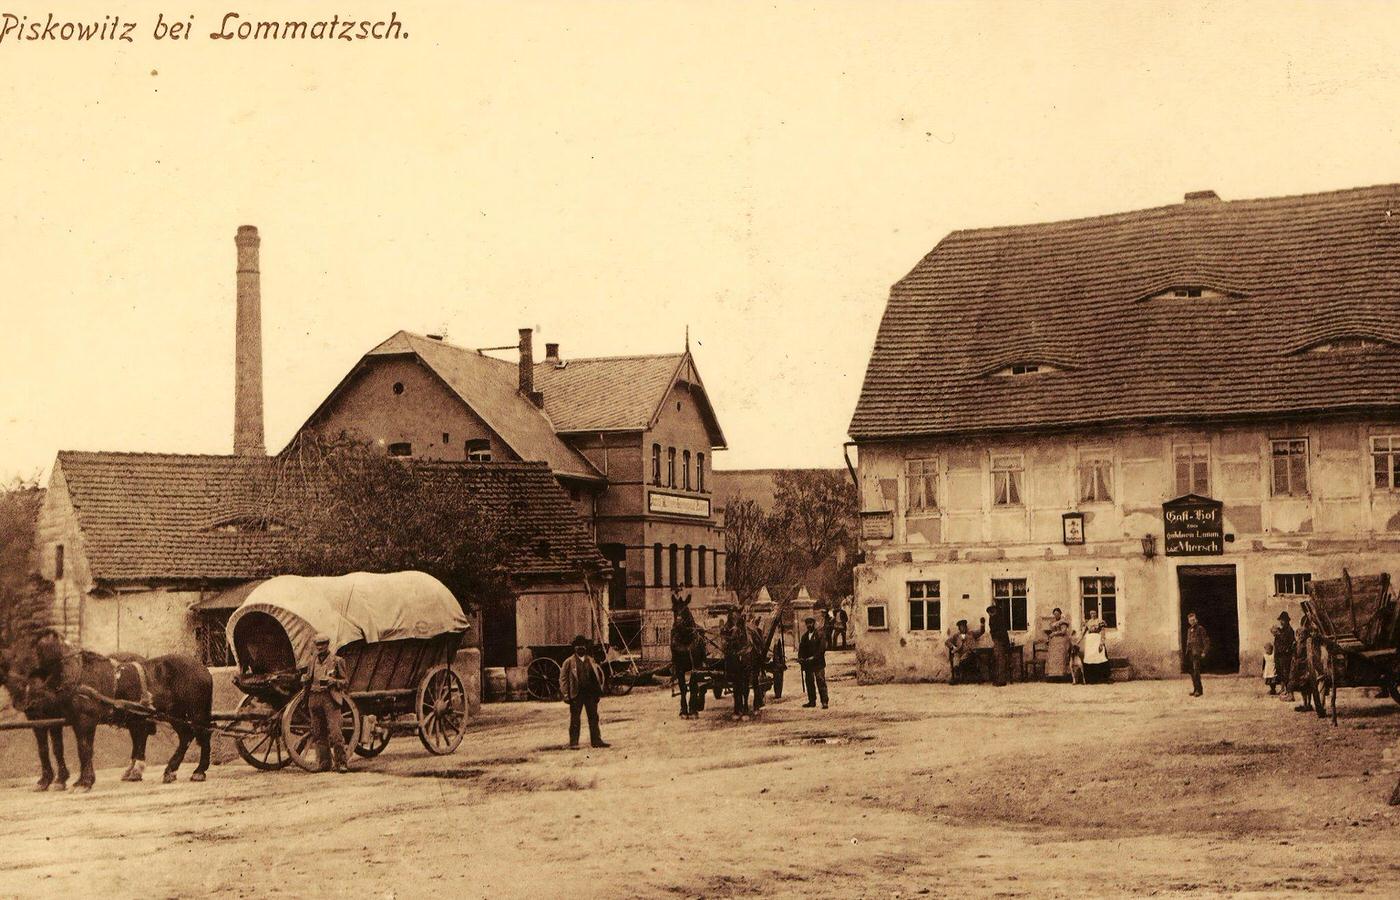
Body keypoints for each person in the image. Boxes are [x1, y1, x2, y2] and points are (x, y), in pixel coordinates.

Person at [302, 633, 349, 773]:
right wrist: (304, 679)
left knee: (335, 733)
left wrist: (333, 681)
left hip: (330, 699)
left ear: (328, 645)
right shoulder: (312, 662)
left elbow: (345, 682)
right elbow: (308, 680)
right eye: (318, 645)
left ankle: (341, 763)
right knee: (318, 733)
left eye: (323, 644)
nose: (320, 647)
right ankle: (324, 763)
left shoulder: (337, 661)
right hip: (314, 698)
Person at [559, 635, 609, 749]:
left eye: (582, 646)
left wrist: (598, 692)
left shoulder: (590, 660)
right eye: (578, 646)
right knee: (575, 719)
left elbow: (596, 677)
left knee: (594, 717)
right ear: (574, 648)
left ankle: (596, 741)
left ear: (586, 647)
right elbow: (563, 679)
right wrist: (566, 695)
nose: (580, 648)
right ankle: (574, 743)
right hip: (576, 694)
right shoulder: (569, 662)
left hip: (590, 694)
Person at [797, 617, 829, 708]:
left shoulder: (819, 634)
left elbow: (822, 648)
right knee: (809, 682)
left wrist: (814, 657)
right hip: (808, 664)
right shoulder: (804, 637)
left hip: (818, 663)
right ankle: (812, 701)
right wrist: (800, 658)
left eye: (810, 623)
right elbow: (801, 649)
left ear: (814, 623)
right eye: (807, 623)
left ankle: (824, 702)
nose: (809, 625)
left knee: (820, 681)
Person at [1079, 610, 1111, 685]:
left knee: (1100, 657)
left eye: (1094, 613)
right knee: (1090, 658)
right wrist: (1078, 640)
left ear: (1096, 614)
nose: (1092, 615)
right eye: (1091, 613)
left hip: (1097, 639)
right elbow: (1083, 632)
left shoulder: (1100, 621)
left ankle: (1103, 678)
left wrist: (1102, 642)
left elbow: (1102, 632)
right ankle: (1091, 679)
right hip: (1090, 641)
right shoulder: (1088, 622)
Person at [1043, 608, 1073, 682]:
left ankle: (1062, 676)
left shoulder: (1063, 621)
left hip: (1062, 640)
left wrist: (1054, 633)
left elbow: (1063, 631)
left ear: (1060, 613)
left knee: (1061, 656)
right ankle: (1053, 676)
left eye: (1057, 613)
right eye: (1055, 614)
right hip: (1053, 642)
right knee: (1052, 656)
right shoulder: (1052, 622)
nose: (1056, 615)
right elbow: (1050, 631)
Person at [1185, 612, 1210, 697]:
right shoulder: (1189, 630)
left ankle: (1199, 690)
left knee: (1196, 672)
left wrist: (1204, 652)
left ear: (1196, 620)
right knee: (1192, 672)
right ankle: (1195, 689)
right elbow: (1188, 642)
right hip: (1190, 654)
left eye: (1193, 620)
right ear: (1188, 621)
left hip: (1197, 653)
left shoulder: (1200, 629)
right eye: (1190, 620)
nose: (1192, 621)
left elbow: (1206, 641)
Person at [985, 604, 1011, 687]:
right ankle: (999, 679)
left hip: (1000, 641)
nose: (990, 614)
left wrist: (996, 638)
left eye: (991, 612)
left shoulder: (996, 619)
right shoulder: (995, 619)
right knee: (999, 660)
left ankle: (1001, 680)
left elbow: (998, 632)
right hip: (999, 641)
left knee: (1000, 660)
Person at [945, 620, 976, 684]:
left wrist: (982, 624)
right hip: (958, 652)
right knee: (956, 660)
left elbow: (981, 631)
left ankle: (964, 678)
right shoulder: (956, 635)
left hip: (967, 652)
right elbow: (947, 642)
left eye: (964, 626)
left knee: (963, 660)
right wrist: (953, 647)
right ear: (959, 628)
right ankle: (956, 678)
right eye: (961, 627)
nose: (963, 628)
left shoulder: (971, 633)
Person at [1274, 611, 1296, 702]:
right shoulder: (1282, 630)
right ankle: (1285, 690)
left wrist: (1279, 635)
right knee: (1281, 673)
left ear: (1287, 620)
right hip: (1279, 655)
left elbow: (1289, 642)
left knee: (1286, 673)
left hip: (1286, 655)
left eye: (1282, 620)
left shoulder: (1290, 630)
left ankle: (1290, 693)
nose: (1281, 622)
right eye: (1280, 620)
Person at [769, 626, 788, 699]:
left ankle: (778, 693)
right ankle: (778, 693)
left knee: (778, 675)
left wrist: (781, 662)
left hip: (776, 660)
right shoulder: (774, 637)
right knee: (778, 675)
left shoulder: (777, 638)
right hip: (773, 657)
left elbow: (779, 652)